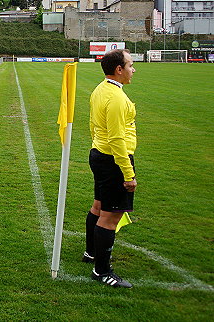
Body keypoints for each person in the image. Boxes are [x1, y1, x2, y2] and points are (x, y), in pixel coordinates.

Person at [83, 48, 137, 288]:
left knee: (98, 206)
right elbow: (117, 139)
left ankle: (91, 253)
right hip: (113, 159)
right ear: (118, 69)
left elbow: (95, 126)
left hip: (100, 154)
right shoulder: (115, 98)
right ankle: (102, 271)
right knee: (111, 216)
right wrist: (128, 174)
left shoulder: (100, 89)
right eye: (130, 65)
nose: (133, 70)